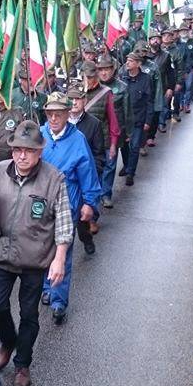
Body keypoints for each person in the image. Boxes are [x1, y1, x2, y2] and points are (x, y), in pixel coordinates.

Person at [0, 122, 73, 386]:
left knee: (29, 313)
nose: (22, 155)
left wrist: (59, 257)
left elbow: (64, 221)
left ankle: (22, 364)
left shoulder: (54, 179)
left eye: (29, 151)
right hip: (0, 254)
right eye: (18, 149)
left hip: (34, 257)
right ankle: (7, 341)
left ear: (39, 152)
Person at [39, 92, 101, 323]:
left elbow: (88, 172)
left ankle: (58, 300)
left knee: (62, 250)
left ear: (67, 114)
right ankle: (46, 286)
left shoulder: (78, 140)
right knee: (42, 249)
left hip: (68, 201)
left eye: (58, 114)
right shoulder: (40, 135)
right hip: (41, 203)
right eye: (50, 114)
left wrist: (89, 202)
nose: (53, 118)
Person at [67, 84, 104, 256]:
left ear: (85, 100)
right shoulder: (60, 123)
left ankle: (87, 238)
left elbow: (98, 154)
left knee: (82, 220)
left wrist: (92, 175)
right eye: (71, 99)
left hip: (83, 180)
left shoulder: (94, 124)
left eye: (77, 99)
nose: (74, 102)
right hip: (64, 179)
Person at [96, 56, 130, 208]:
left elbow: (128, 112)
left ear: (113, 70)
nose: (104, 73)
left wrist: (128, 133)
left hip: (114, 133)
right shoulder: (93, 88)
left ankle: (106, 194)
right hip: (96, 133)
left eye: (107, 69)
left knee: (110, 165)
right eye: (101, 70)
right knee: (97, 165)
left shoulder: (122, 87)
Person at [120, 50, 154, 186]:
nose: (127, 63)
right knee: (123, 146)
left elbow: (149, 101)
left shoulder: (146, 79)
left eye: (131, 61)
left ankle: (130, 173)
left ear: (138, 63)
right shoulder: (122, 77)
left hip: (138, 118)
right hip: (124, 120)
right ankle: (126, 164)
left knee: (134, 146)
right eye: (127, 60)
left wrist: (148, 120)